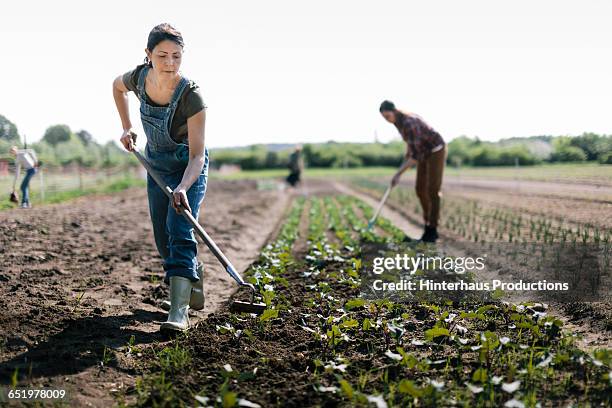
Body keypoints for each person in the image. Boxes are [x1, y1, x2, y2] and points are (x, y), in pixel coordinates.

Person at [112, 23, 208, 333]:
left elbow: (196, 156)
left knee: (179, 228)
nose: (169, 63)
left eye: (177, 56)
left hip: (187, 169)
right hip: (156, 166)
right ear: (148, 54)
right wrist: (127, 126)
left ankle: (178, 312)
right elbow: (116, 86)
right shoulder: (139, 78)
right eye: (163, 55)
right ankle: (193, 271)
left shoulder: (192, 97)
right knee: (163, 238)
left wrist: (182, 187)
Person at [379, 100, 446, 243]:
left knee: (433, 190)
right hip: (423, 153)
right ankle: (427, 222)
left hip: (435, 150)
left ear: (394, 111)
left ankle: (432, 230)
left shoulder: (409, 122)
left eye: (387, 116)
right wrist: (402, 166)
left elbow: (415, 156)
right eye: (384, 118)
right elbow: (411, 148)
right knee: (420, 189)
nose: (387, 120)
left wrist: (398, 174)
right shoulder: (399, 124)